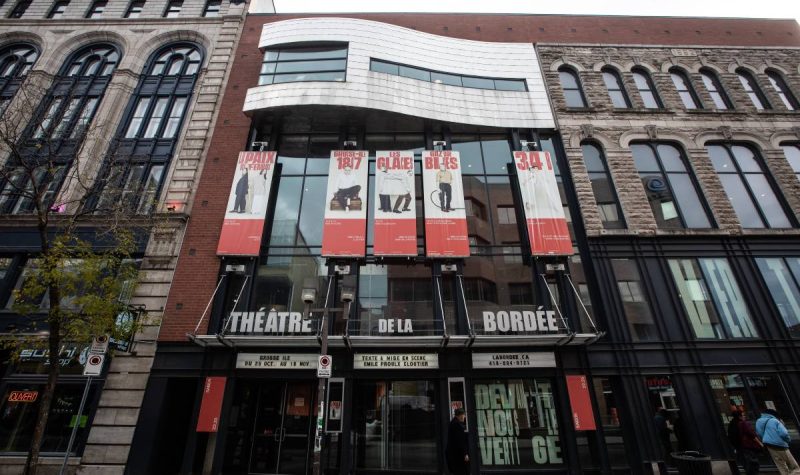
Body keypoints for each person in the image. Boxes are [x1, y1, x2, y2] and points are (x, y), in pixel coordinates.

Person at [756, 409, 800, 475]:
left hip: (770, 446)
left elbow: (759, 433)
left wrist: (768, 438)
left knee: (781, 466)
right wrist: (788, 440)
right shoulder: (775, 421)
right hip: (781, 445)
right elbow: (784, 433)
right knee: (794, 467)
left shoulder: (758, 421)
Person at [446, 408, 469, 475]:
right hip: (457, 455)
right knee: (463, 471)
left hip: (453, 454)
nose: (464, 417)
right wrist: (465, 454)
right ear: (460, 415)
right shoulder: (457, 425)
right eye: (464, 415)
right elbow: (460, 441)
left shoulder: (453, 422)